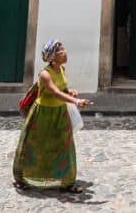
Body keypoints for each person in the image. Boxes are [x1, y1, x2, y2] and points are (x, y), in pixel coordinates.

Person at [13, 39, 91, 193]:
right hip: (42, 114)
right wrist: (76, 101)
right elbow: (54, 92)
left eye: (64, 49)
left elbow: (62, 90)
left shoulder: (61, 70)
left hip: (60, 113)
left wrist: (71, 92)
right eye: (61, 51)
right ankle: (21, 179)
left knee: (65, 146)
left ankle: (67, 182)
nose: (65, 53)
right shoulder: (44, 74)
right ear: (52, 56)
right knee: (33, 146)